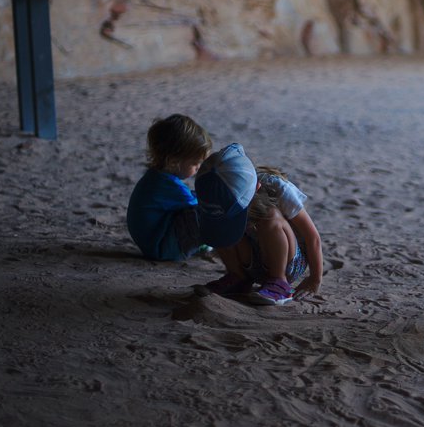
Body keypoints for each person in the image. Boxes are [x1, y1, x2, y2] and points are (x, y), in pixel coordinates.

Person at [193, 143, 324, 306]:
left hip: (287, 261)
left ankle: (279, 282)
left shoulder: (276, 187)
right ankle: (237, 278)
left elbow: (312, 237)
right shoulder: (215, 192)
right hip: (250, 263)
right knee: (220, 222)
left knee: (270, 216)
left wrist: (314, 279)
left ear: (257, 187)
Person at [126, 114, 212, 261]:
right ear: (173, 161)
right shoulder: (171, 187)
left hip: (152, 243)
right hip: (162, 249)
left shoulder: (155, 177)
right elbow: (199, 206)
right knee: (210, 212)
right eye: (195, 163)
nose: (198, 167)